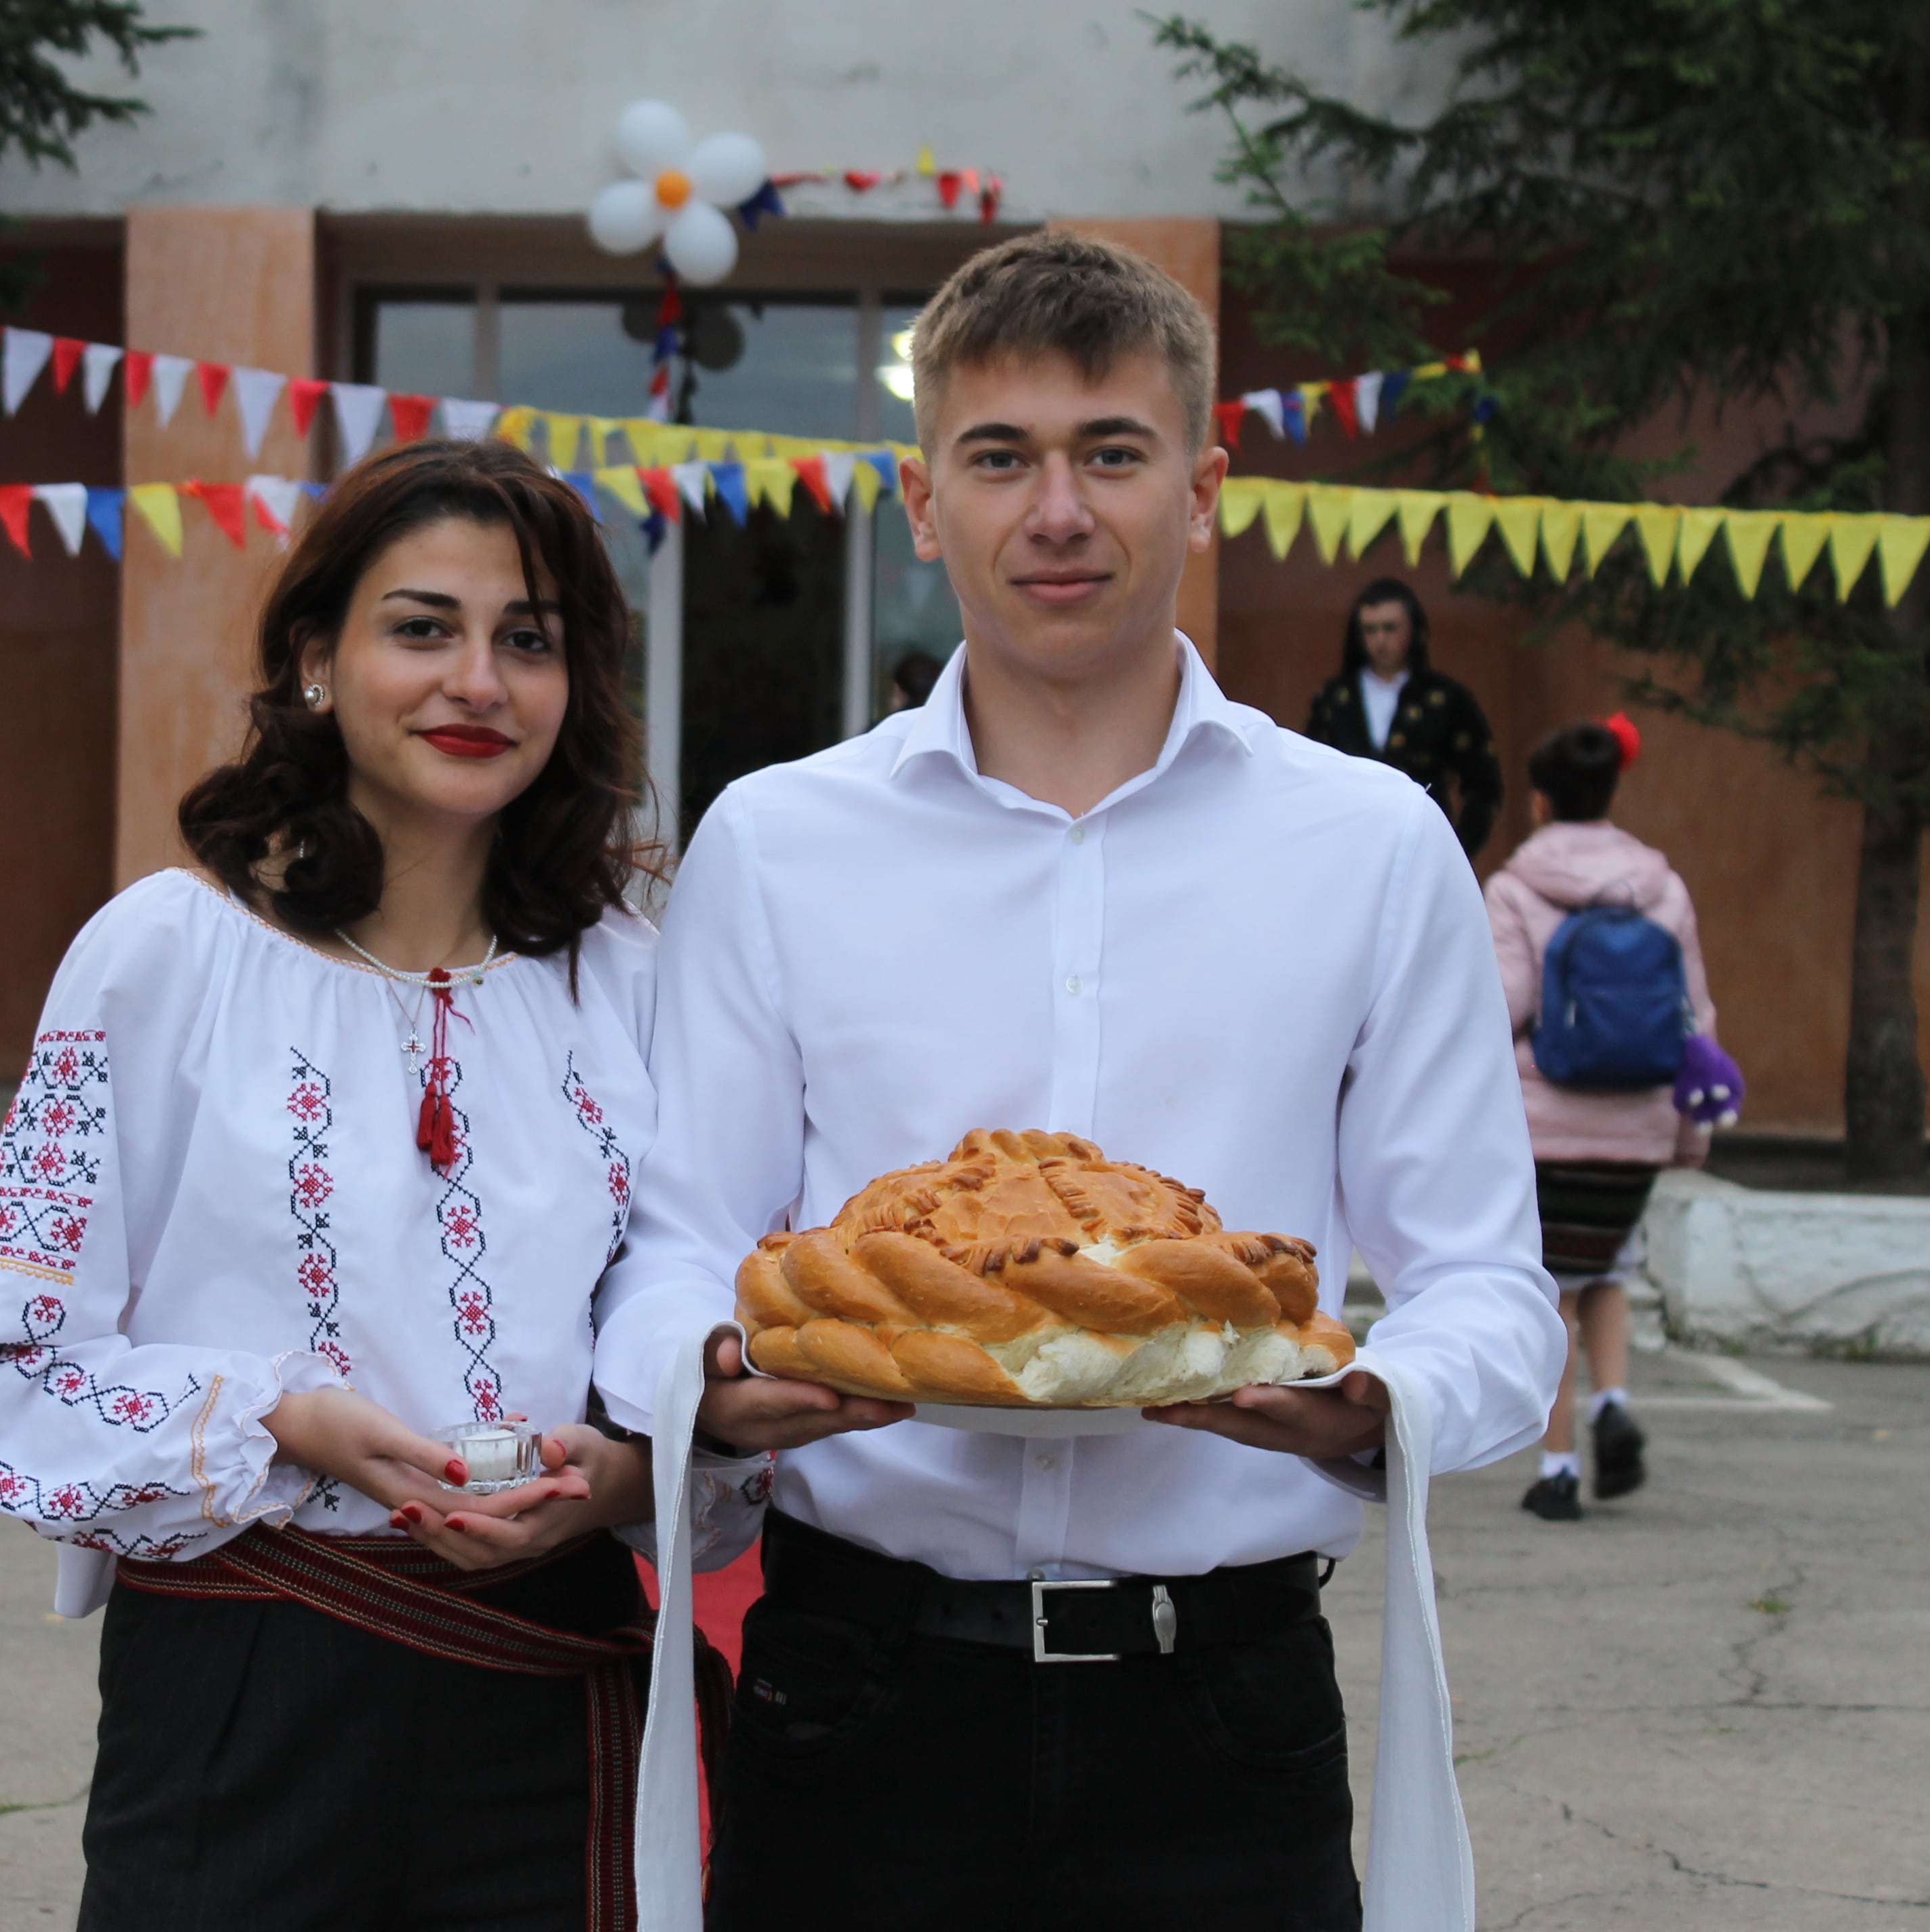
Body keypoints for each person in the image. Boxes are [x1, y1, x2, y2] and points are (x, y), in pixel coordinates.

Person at [593, 230, 1560, 1930]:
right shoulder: (779, 839)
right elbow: (682, 1242)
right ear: (921, 499)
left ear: (1205, 487)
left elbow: (1486, 1279)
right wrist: (712, 1378)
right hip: (857, 1691)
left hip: (1222, 1704)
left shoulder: (1369, 841)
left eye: (1112, 452)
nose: (1057, 510)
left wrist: (1377, 1402)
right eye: (1000, 457)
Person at [0, 439, 767, 1932]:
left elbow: (694, 1315)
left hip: (552, 1683)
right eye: (422, 627)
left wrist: (629, 1477)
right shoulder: (166, 955)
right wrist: (284, 1420)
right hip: (252, 1674)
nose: (477, 681)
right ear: (315, 656)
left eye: (528, 640)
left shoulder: (633, 982)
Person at [1484, 715, 1719, 1522]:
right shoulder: (1664, 887)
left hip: (1548, 1125)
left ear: (1541, 801)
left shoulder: (1515, 889)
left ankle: (1557, 1469)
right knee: (1608, 1268)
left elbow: (1505, 1005)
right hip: (1640, 1123)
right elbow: (1694, 1017)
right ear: (1613, 792)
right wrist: (1689, 1131)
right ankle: (1613, 1403)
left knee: (1553, 1290)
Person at [1304, 578, 1506, 858]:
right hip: (1350, 846)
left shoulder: (1445, 698)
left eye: (1390, 628)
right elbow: (1313, 774)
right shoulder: (1335, 699)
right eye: (1370, 630)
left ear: (1413, 629)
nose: (1380, 640)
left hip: (1421, 845)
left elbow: (1484, 785)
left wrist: (1457, 852)